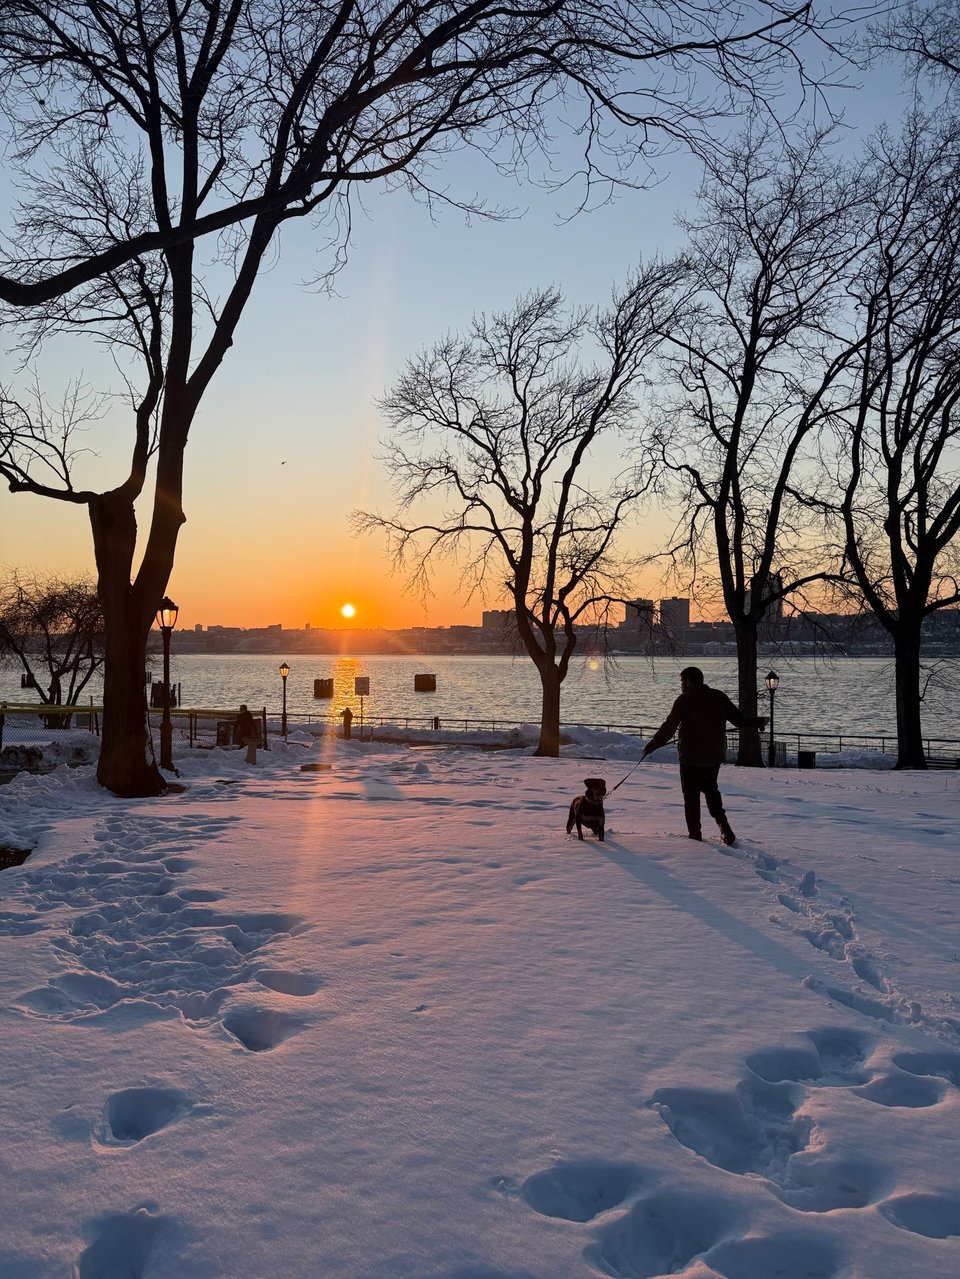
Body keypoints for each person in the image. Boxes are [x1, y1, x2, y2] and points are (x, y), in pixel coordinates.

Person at [642, 666, 767, 846]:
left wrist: (651, 746)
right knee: (711, 791)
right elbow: (739, 721)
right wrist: (759, 721)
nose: (681, 685)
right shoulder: (719, 697)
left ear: (688, 681)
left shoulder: (684, 700)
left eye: (682, 681)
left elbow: (669, 728)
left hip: (690, 759)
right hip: (713, 758)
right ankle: (725, 828)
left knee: (691, 799)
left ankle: (695, 837)